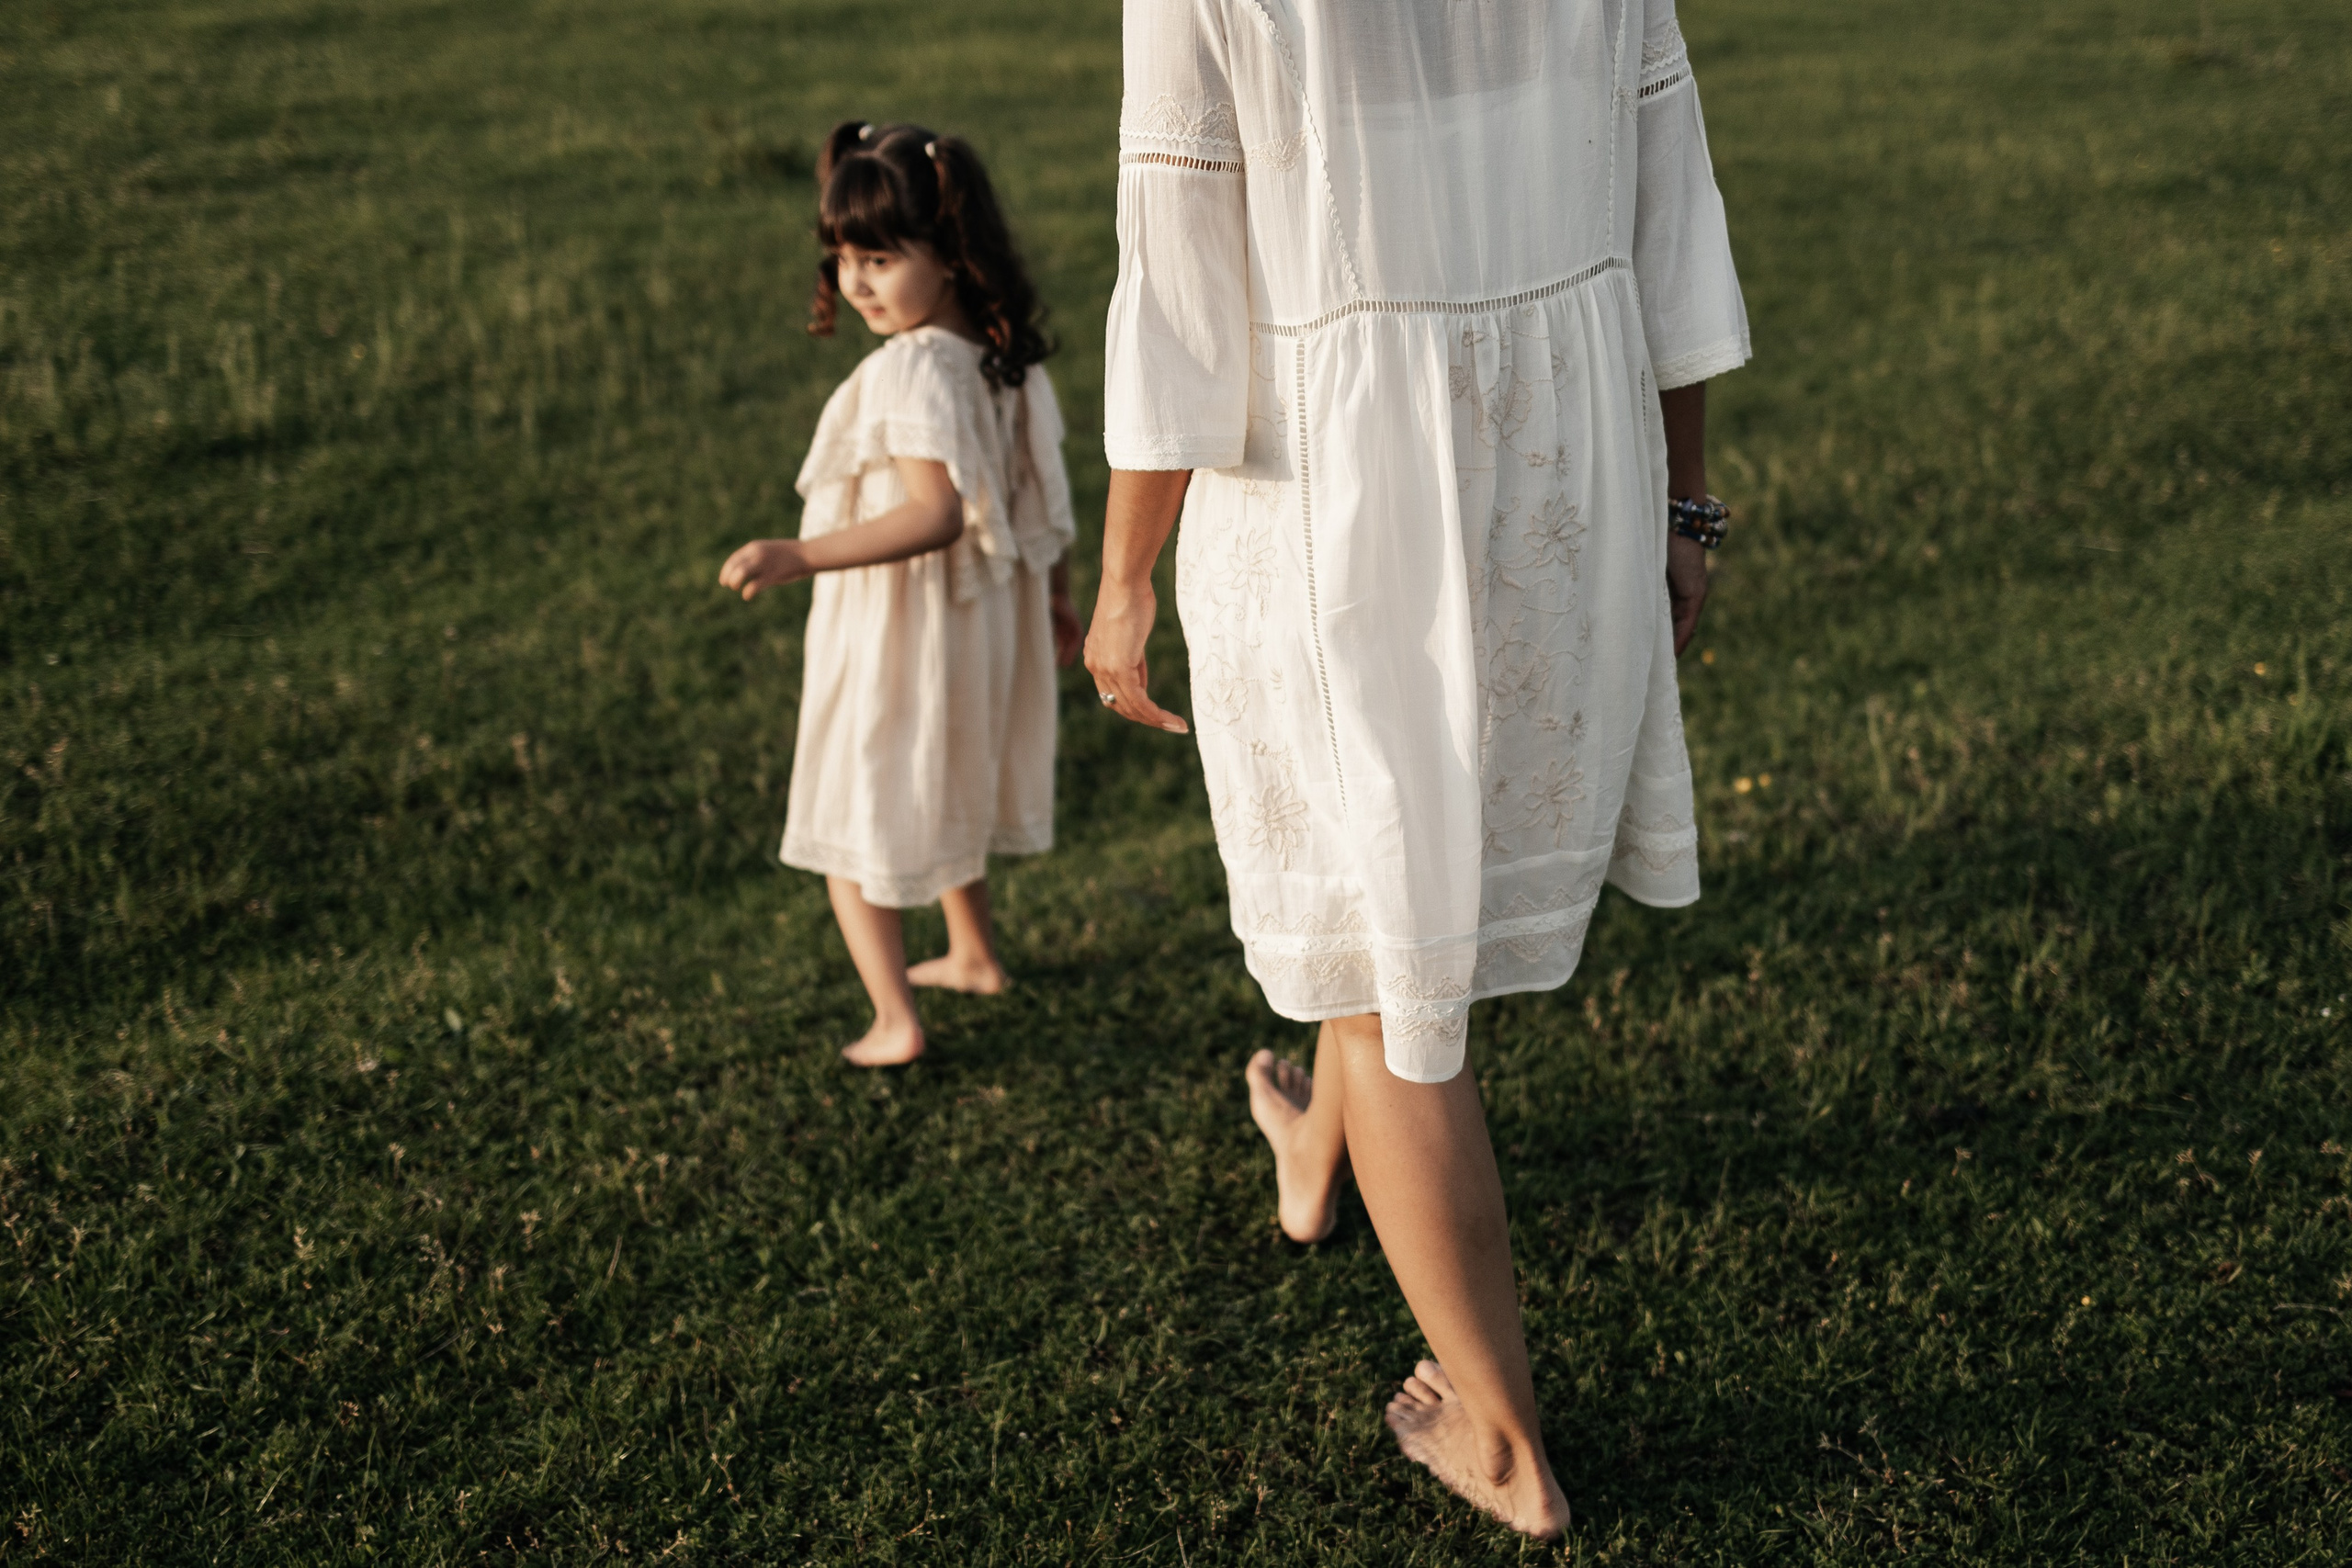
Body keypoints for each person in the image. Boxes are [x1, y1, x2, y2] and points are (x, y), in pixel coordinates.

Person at [1085, 0, 1749, 1538]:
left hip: (1334, 485)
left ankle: (1503, 1435)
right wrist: (1687, 497)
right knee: (1386, 868)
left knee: (1387, 960)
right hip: (1560, 457)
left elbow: (1180, 269)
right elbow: (1674, 207)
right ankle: (1315, 1153)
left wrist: (1126, 573)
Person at [722, 120, 1081, 1067]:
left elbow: (935, 514)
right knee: (948, 775)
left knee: (855, 810)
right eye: (842, 258)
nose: (855, 282)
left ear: (951, 252)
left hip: (905, 624)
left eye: (879, 257)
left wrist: (798, 553)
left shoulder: (914, 369)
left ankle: (894, 1021)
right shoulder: (1006, 352)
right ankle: (971, 954)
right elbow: (1042, 491)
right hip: (980, 622)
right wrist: (1056, 597)